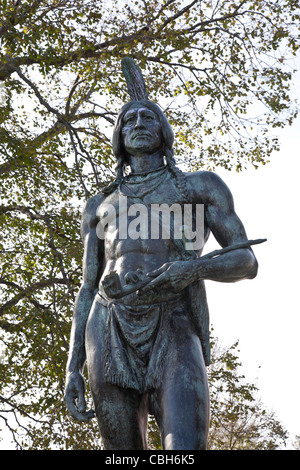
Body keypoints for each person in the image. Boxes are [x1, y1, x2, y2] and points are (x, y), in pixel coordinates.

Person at [64, 63, 258, 450]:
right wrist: (73, 368)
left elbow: (246, 262)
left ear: (164, 132)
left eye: (148, 116)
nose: (138, 122)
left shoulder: (198, 188)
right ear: (118, 136)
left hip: (174, 318)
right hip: (108, 325)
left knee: (184, 447)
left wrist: (192, 269)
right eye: (128, 119)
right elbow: (87, 287)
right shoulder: (99, 204)